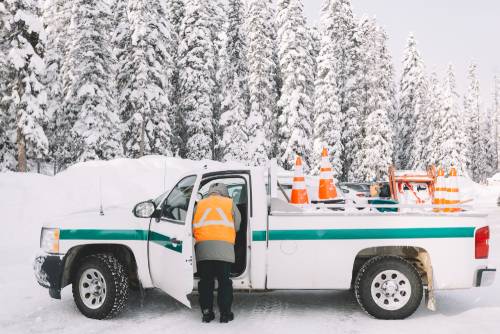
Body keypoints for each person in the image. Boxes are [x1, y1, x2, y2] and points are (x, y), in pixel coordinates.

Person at [193, 182, 241, 323]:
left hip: (203, 249)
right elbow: (237, 225)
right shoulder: (229, 203)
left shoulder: (200, 204)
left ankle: (207, 313)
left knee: (206, 282)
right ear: (224, 192)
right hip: (224, 250)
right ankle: (225, 314)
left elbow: (192, 225)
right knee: (224, 282)